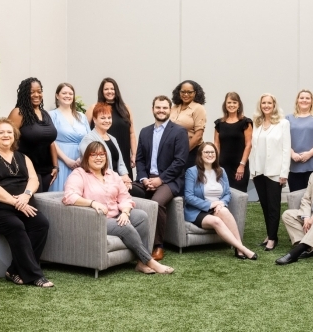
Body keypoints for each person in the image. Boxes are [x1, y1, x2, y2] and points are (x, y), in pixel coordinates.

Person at [63, 142, 173, 274]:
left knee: (142, 216)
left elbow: (125, 197)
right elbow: (69, 196)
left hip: (116, 214)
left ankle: (140, 263)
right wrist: (92, 203)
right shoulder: (79, 174)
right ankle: (149, 261)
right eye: (94, 154)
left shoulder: (112, 174)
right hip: (97, 219)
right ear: (87, 157)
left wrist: (126, 212)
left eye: (102, 154)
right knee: (124, 226)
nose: (99, 158)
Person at [0, 118, 53, 287]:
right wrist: (17, 203)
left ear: (15, 136)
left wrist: (26, 195)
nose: (6, 135)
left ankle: (15, 270)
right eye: (1, 132)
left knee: (41, 224)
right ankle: (35, 275)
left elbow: (33, 179)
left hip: (20, 203)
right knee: (16, 225)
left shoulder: (22, 157)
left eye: (9, 132)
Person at [133, 95, 189, 261]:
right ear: (153, 109)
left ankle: (158, 245)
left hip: (171, 180)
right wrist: (143, 179)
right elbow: (140, 159)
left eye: (165, 107)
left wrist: (160, 180)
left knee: (157, 202)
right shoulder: (145, 131)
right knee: (126, 191)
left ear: (170, 110)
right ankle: (134, 239)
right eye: (158, 107)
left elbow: (180, 162)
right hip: (147, 179)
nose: (161, 110)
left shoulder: (179, 132)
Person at [184, 142, 258, 260]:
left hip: (217, 208)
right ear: (200, 155)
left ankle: (238, 248)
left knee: (224, 211)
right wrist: (210, 204)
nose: (210, 154)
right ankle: (243, 249)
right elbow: (188, 196)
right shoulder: (192, 172)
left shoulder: (221, 171)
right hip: (197, 211)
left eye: (212, 152)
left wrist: (222, 203)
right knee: (216, 221)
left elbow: (227, 193)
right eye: (207, 152)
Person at [250, 93, 291, 251]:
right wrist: (252, 171)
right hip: (259, 171)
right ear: (260, 106)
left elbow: (286, 149)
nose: (266, 105)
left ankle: (273, 239)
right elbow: (254, 149)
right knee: (265, 206)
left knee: (273, 206)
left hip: (275, 172)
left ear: (274, 105)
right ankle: (270, 233)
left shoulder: (283, 123)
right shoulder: (257, 123)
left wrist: (284, 173)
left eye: (269, 103)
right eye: (263, 103)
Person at [7, 77, 58, 192]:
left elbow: (50, 142)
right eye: (32, 92)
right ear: (25, 94)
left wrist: (55, 165)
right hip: (27, 170)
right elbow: (8, 140)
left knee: (44, 204)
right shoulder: (18, 113)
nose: (36, 95)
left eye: (39, 91)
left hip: (46, 170)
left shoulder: (45, 114)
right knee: (32, 205)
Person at [86, 77, 137, 178]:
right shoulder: (94, 108)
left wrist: (134, 154)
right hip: (101, 154)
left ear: (116, 90)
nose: (110, 91)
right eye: (106, 89)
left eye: (112, 89)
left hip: (123, 153)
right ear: (102, 91)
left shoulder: (125, 108)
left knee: (125, 186)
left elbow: (131, 133)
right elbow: (85, 131)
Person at [80, 103, 134, 190]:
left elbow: (121, 163)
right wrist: (119, 180)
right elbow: (95, 166)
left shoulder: (113, 139)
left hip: (118, 181)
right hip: (100, 183)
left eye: (109, 118)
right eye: (103, 118)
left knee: (139, 194)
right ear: (94, 119)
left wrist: (126, 178)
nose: (107, 120)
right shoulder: (88, 140)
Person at [48, 82, 90, 192]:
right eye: (64, 93)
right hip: (61, 159)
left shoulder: (82, 116)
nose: (68, 96)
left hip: (81, 160)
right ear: (57, 95)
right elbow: (50, 140)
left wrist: (82, 158)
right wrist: (67, 160)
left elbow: (89, 139)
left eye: (70, 93)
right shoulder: (51, 115)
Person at [285, 90, 313, 192]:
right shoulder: (288, 118)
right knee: (295, 198)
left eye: (307, 98)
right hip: (294, 166)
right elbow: (283, 140)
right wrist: (292, 153)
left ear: (312, 101)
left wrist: (309, 154)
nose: (304, 100)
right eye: (302, 98)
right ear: (297, 100)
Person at [214, 92, 252, 192]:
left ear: (239, 104)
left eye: (234, 102)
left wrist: (242, 165)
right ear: (225, 105)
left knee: (239, 196)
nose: (232, 105)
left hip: (239, 167)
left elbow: (248, 145)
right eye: (229, 102)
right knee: (222, 195)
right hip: (222, 166)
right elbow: (216, 144)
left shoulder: (245, 122)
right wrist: (216, 164)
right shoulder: (219, 123)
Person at [170, 80, 207, 168]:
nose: (186, 94)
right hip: (174, 151)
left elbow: (198, 135)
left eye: (189, 92)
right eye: (183, 92)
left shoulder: (198, 108)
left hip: (191, 152)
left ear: (195, 93)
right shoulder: (174, 108)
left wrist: (183, 152)